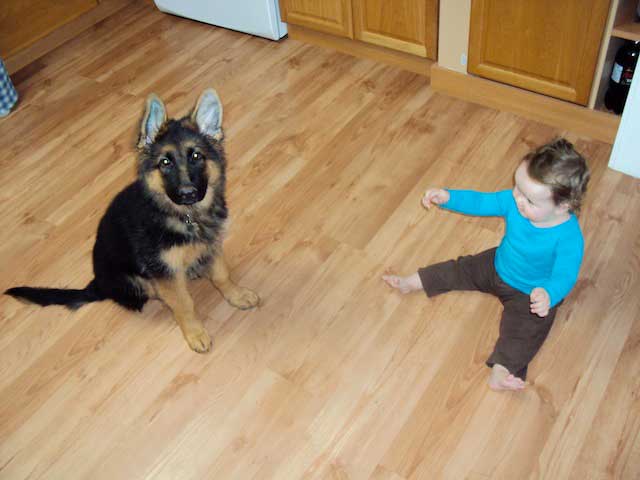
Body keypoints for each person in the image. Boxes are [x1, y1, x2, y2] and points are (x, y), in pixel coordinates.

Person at [383, 138, 590, 391]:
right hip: (497, 265)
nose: (518, 199)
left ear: (563, 206)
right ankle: (412, 282)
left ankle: (502, 371)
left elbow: (565, 274)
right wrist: (448, 197)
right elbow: (482, 202)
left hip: (530, 293)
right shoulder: (516, 201)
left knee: (524, 331)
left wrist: (549, 293)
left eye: (530, 201)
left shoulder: (568, 237)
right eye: (517, 188)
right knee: (459, 268)